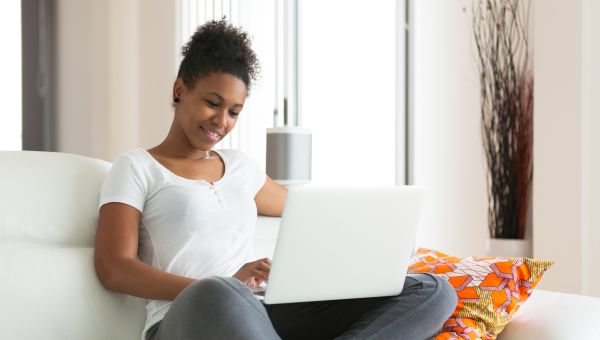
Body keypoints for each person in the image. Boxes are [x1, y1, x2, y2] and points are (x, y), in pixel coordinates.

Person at [94, 19, 457, 340]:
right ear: (179, 91)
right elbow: (114, 267)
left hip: (260, 311)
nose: (222, 121)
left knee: (434, 290)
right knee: (217, 293)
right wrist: (224, 285)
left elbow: (309, 215)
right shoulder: (137, 167)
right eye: (212, 103)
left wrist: (377, 239)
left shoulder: (241, 168)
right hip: (190, 314)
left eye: (234, 111)